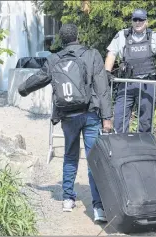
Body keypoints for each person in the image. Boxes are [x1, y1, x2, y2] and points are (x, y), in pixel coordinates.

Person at [18, 24, 112, 222]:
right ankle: (98, 208)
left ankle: (68, 199)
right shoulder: (92, 54)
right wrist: (107, 117)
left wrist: (23, 89)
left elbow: (40, 78)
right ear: (78, 36)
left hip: (68, 116)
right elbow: (102, 87)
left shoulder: (55, 59)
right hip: (90, 114)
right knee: (93, 159)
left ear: (61, 39)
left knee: (70, 157)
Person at [105, 8, 156, 133]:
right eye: (135, 20)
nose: (138, 22)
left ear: (146, 21)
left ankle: (143, 149)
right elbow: (112, 53)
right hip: (126, 83)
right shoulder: (122, 35)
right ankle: (122, 147)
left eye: (141, 20)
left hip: (147, 84)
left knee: (145, 121)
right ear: (132, 21)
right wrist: (107, 72)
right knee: (119, 119)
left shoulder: (153, 36)